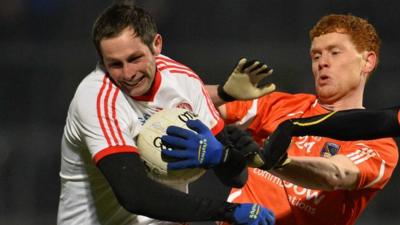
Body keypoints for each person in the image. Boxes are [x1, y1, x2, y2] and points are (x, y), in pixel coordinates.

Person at [161, 14, 399, 225]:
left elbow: (336, 174)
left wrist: (272, 162)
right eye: (316, 55)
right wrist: (224, 93)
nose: (322, 62)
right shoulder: (281, 105)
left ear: (368, 61)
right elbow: (192, 102)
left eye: (335, 53)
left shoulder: (379, 143)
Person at [57, 2, 278, 225]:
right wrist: (227, 211)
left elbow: (237, 178)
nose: (128, 73)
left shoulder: (183, 80)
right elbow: (134, 195)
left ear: (156, 45)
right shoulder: (97, 98)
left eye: (135, 58)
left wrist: (223, 156)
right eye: (115, 64)